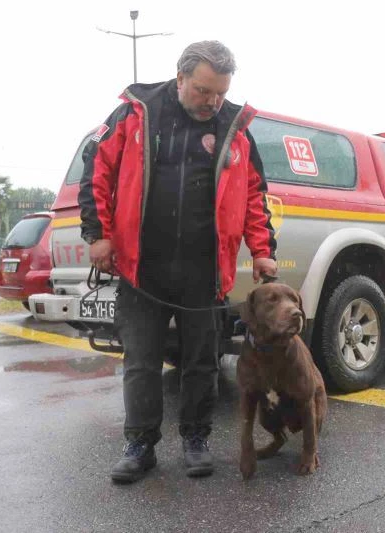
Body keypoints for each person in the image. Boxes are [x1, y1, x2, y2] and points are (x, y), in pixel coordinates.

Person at [78, 40, 277, 483]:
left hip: (205, 269)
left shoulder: (235, 127)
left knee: (201, 360)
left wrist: (262, 251)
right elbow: (97, 170)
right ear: (181, 77)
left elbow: (253, 194)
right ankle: (140, 444)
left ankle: (196, 438)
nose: (213, 101)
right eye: (204, 90)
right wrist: (99, 235)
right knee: (142, 361)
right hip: (142, 265)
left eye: (221, 92)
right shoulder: (136, 113)